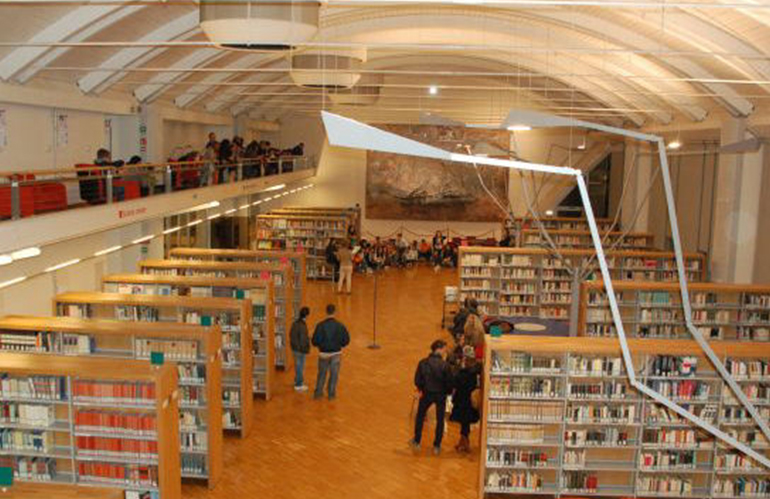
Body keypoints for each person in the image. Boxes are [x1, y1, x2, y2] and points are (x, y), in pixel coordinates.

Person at [410, 339, 452, 455]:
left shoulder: (423, 363)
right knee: (440, 420)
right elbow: (449, 383)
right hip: (440, 395)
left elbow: (417, 380)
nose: (445, 351)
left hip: (427, 393)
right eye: (444, 348)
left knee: (420, 416)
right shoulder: (445, 365)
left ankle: (417, 440)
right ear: (438, 349)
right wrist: (447, 392)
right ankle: (437, 445)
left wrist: (422, 388)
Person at [312, 304, 351, 400]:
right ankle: (331, 394)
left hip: (323, 354)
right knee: (334, 375)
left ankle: (318, 393)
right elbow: (346, 340)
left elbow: (314, 341)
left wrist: (320, 346)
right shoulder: (340, 326)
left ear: (326, 312)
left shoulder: (320, 325)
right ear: (335, 312)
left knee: (321, 374)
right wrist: (340, 345)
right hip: (336, 353)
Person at [450, 346, 482, 453]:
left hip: (463, 402)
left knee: (464, 424)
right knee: (465, 424)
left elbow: (456, 382)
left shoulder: (464, 373)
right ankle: (462, 442)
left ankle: (465, 444)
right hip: (471, 403)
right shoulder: (478, 371)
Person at [289, 306, 311, 392]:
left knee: (298, 366)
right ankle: (299, 385)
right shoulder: (302, 325)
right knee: (300, 367)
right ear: (307, 316)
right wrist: (306, 346)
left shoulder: (295, 323)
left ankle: (296, 380)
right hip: (300, 349)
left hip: (294, 348)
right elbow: (302, 339)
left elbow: (291, 334)